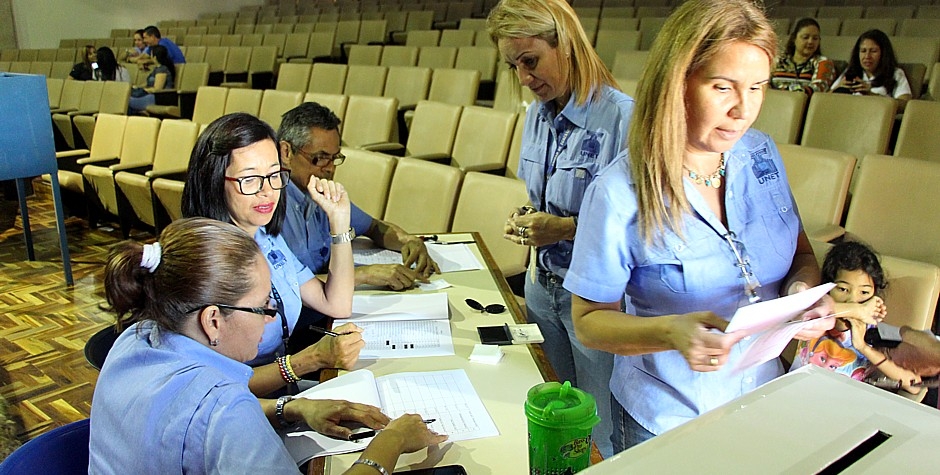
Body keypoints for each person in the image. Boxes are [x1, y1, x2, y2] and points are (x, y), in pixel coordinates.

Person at [563, 0, 835, 453]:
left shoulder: (761, 153)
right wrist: (669, 332)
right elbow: (590, 322)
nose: (743, 110)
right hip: (670, 415)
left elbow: (802, 256)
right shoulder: (619, 191)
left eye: (758, 87)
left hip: (767, 396)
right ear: (678, 83)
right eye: (722, 87)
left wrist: (799, 300)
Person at [89, 217, 446, 474]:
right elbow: (215, 419)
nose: (272, 316)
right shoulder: (224, 408)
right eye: (262, 306)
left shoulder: (134, 339)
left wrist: (290, 408)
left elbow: (196, 429)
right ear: (213, 320)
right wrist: (391, 443)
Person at [487, 0, 634, 458]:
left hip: (595, 301)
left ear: (565, 44)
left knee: (599, 431)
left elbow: (644, 226)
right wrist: (528, 219)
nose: (525, 79)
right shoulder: (536, 114)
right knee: (554, 413)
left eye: (530, 61)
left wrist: (565, 228)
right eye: (514, 67)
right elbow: (544, 193)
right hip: (541, 286)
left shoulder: (623, 118)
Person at [181, 113, 362, 398]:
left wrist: (338, 222)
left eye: (274, 175)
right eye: (250, 179)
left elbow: (336, 303)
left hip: (282, 392)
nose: (268, 192)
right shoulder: (204, 261)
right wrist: (309, 361)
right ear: (215, 180)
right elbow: (213, 387)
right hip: (237, 409)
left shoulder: (267, 237)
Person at [277, 102, 439, 292]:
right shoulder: (265, 205)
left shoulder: (322, 191)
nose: (330, 168)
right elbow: (281, 288)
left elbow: (374, 227)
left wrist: (408, 240)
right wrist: (362, 275)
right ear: (286, 152)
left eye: (335, 158)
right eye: (320, 158)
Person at [791, 241, 923, 395]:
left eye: (864, 292)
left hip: (841, 407)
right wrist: (853, 310)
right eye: (843, 289)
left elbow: (915, 385)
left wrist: (863, 347)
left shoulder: (875, 333)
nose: (852, 300)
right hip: (794, 394)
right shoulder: (813, 317)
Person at [831, 29, 912, 111]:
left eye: (873, 51)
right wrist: (837, 88)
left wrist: (870, 95)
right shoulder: (850, 71)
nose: (867, 56)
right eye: (863, 51)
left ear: (884, 53)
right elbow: (823, 99)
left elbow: (905, 105)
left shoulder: (895, 73)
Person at [771, 18, 836, 94]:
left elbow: (818, 88)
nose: (810, 42)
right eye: (805, 37)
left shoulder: (823, 62)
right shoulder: (778, 61)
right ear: (794, 38)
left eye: (815, 38)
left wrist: (787, 93)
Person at [128, 45, 174, 114]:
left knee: (126, 101)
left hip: (156, 98)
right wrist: (137, 87)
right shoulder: (156, 69)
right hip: (149, 95)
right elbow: (148, 84)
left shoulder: (162, 70)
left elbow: (157, 89)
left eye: (151, 54)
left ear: (154, 57)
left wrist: (144, 89)